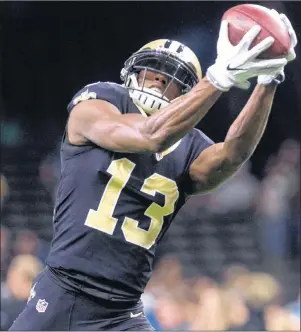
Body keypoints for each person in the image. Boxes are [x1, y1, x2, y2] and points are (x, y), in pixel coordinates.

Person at [9, 9, 297, 331]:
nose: (160, 78)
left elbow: (233, 154)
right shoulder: (100, 101)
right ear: (133, 72)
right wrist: (219, 78)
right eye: (154, 69)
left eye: (173, 76)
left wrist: (269, 81)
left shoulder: (190, 146)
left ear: (187, 94)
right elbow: (150, 135)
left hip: (122, 310)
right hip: (65, 291)